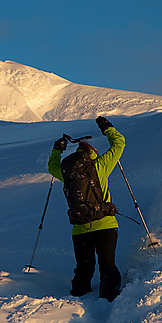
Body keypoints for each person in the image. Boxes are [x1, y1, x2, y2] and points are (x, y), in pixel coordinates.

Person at [48, 116, 125, 300]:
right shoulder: (100, 165)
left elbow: (52, 167)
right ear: (92, 152)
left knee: (84, 266)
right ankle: (109, 297)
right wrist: (107, 128)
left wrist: (57, 150)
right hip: (105, 224)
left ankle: (78, 295)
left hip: (80, 227)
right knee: (107, 263)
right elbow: (119, 144)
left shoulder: (68, 172)